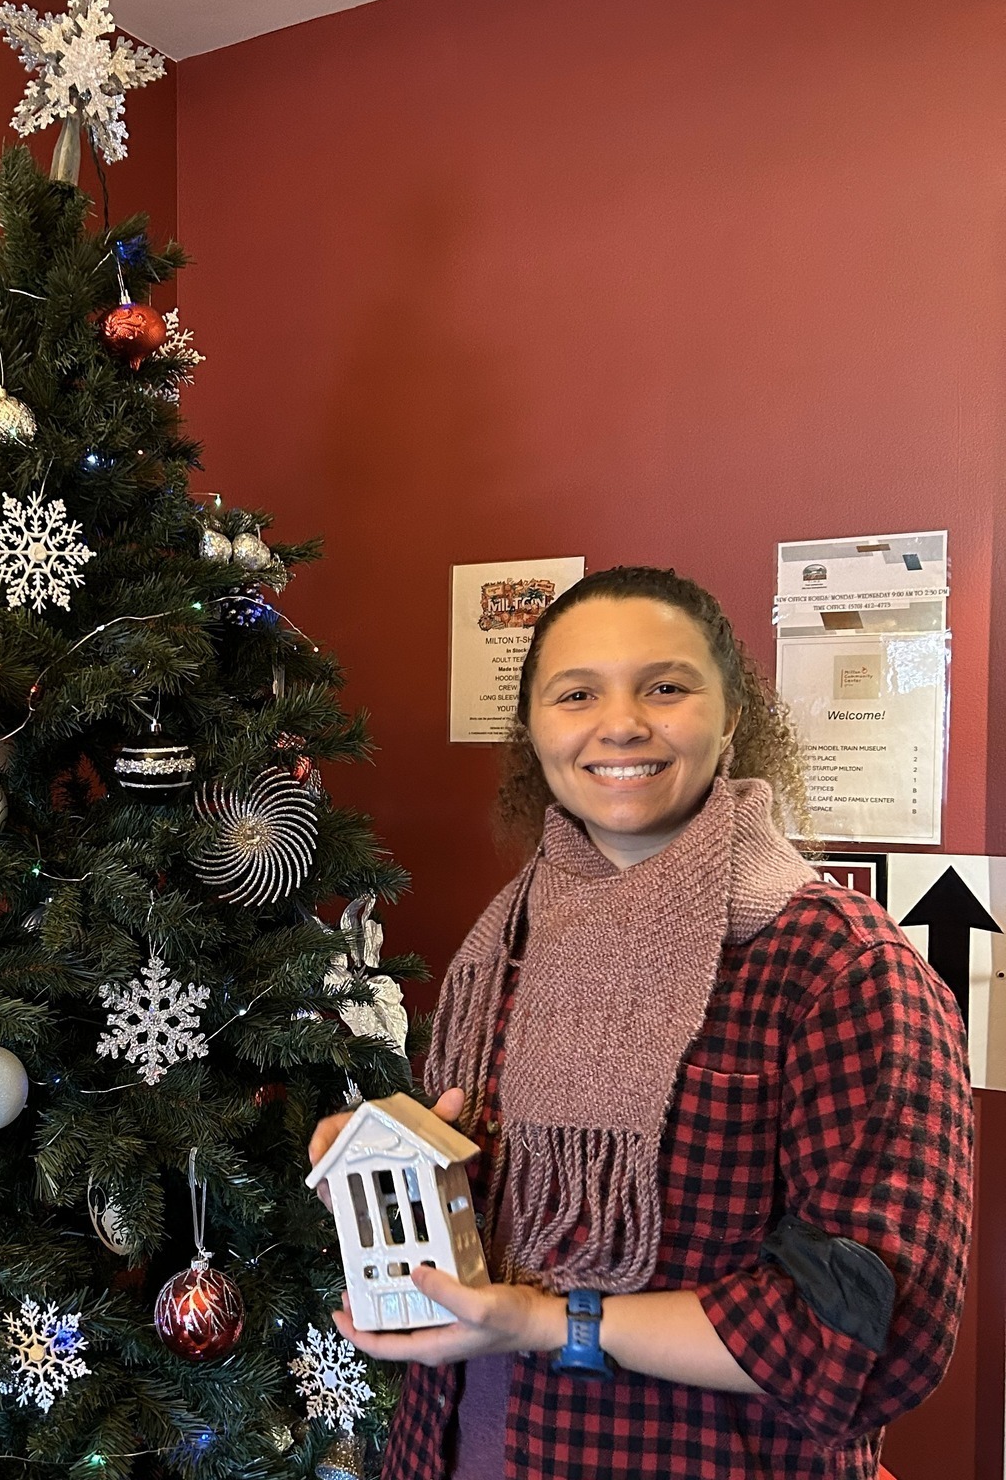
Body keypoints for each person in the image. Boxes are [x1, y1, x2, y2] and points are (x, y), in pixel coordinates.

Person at [309, 567, 973, 1480]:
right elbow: (490, 1213)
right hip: (451, 1451)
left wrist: (558, 1322)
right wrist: (397, 1157)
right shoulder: (506, 943)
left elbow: (866, 1329)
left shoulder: (841, 969)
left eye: (666, 686)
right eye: (576, 694)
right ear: (535, 730)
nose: (620, 723)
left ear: (732, 716)